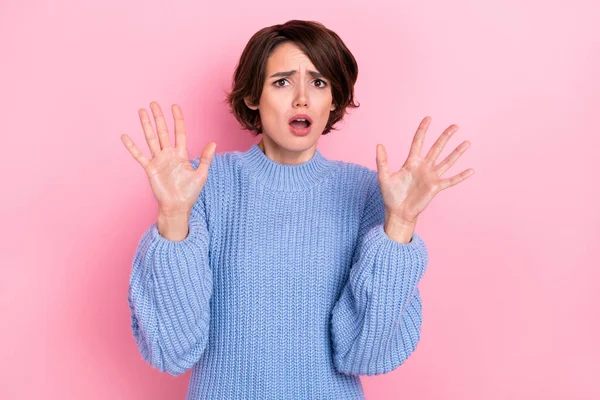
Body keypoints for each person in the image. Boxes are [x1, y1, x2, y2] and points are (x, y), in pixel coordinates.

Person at [120, 19, 474, 400]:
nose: (302, 98)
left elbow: (366, 354)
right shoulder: (201, 185)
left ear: (334, 99)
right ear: (253, 96)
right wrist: (174, 216)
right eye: (282, 82)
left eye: (319, 83)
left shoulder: (371, 194)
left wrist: (400, 225)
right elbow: (172, 349)